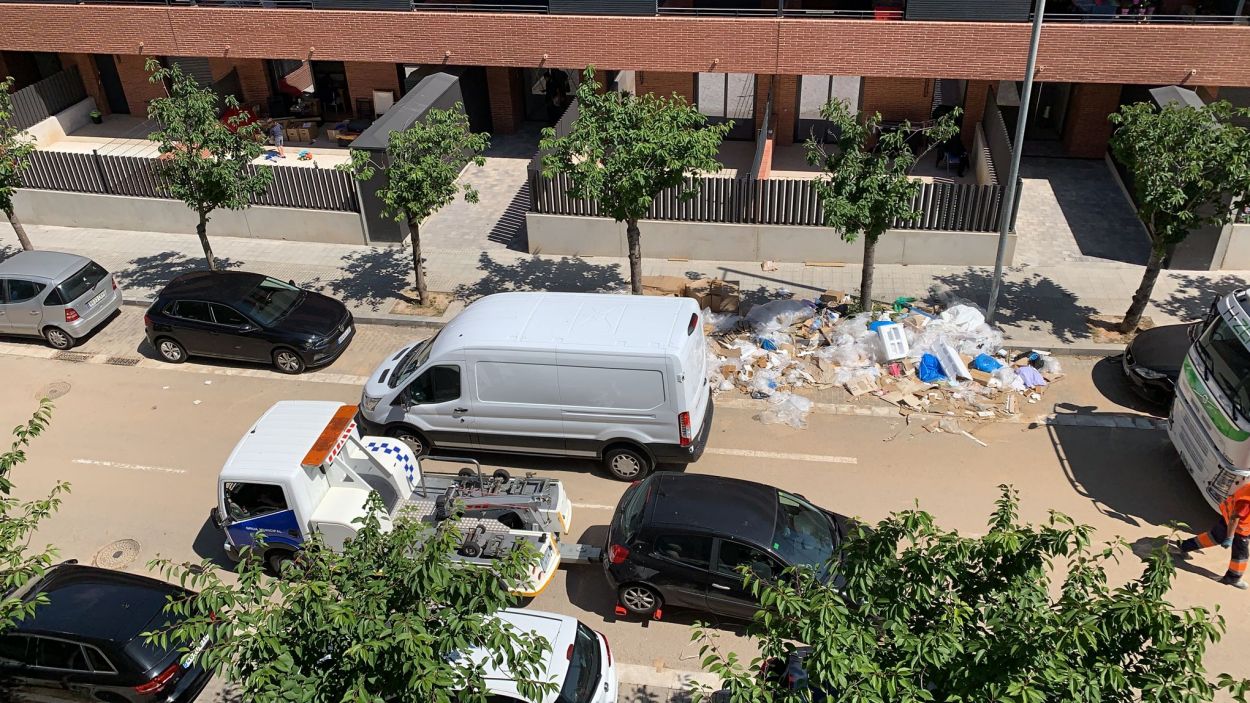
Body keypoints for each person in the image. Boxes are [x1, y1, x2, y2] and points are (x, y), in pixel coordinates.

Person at [1176, 482, 1250, 589]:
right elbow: (1235, 518)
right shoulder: (1247, 501)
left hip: (1228, 520)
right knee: (1241, 554)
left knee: (1213, 537)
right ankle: (1232, 578)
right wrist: (1230, 537)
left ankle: (1185, 546)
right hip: (1238, 528)